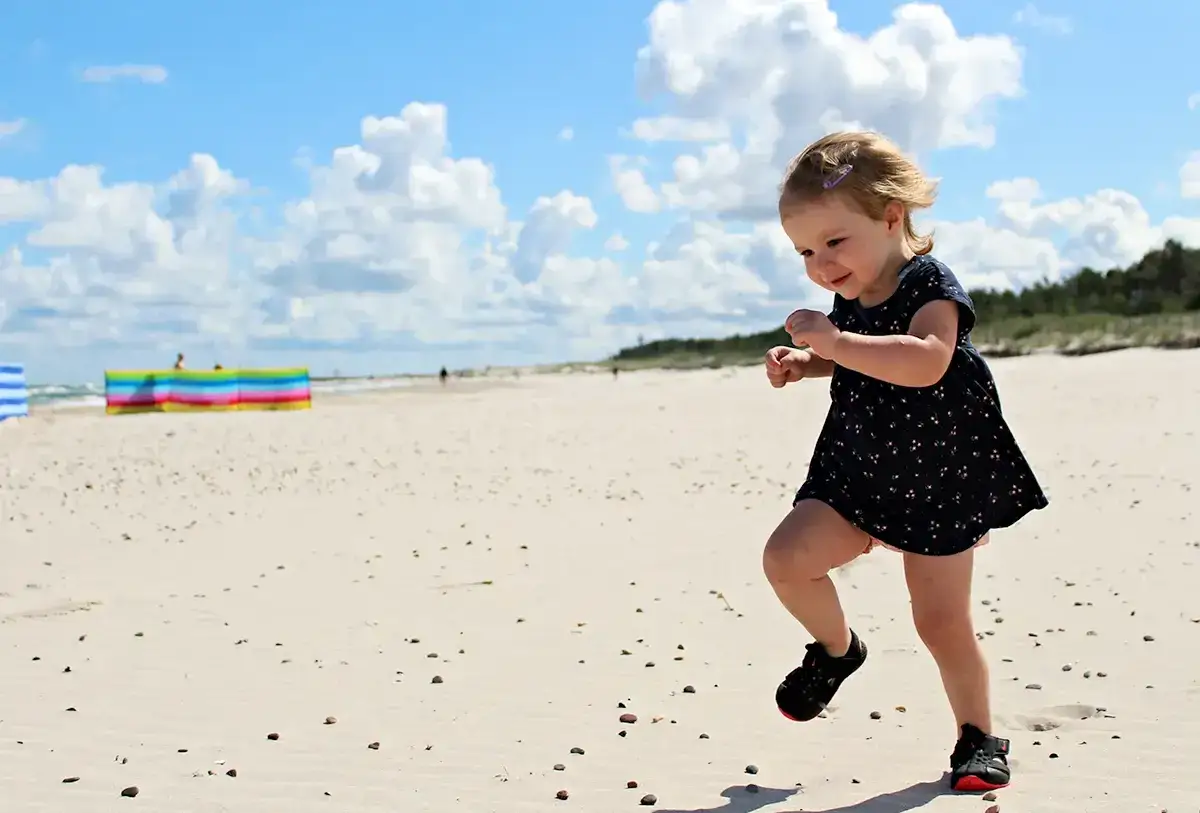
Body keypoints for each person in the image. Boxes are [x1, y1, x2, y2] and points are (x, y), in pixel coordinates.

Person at [762, 131, 1047, 793]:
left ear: (892, 218)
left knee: (941, 621)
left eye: (835, 242)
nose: (822, 264)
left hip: (938, 475)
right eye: (805, 250)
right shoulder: (852, 294)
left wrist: (834, 338)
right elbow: (856, 350)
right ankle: (836, 649)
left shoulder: (930, 282)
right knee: (786, 558)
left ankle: (978, 734)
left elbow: (925, 359)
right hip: (859, 467)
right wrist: (811, 361)